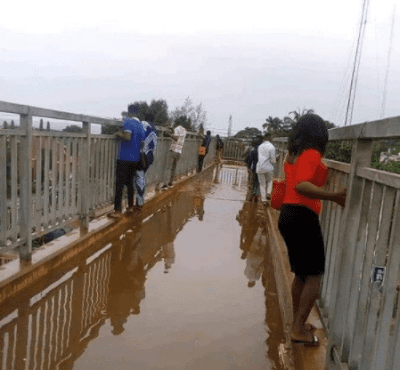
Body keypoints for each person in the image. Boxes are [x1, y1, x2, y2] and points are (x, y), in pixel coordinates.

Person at [277, 113, 347, 347]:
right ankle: (298, 329)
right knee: (315, 276)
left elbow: (295, 181)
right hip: (302, 217)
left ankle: (298, 322)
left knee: (301, 274)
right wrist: (334, 197)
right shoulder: (312, 154)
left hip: (288, 214)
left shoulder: (291, 156)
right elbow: (302, 185)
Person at [109, 105, 145, 218]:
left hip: (124, 158)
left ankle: (117, 210)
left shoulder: (128, 121)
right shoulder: (141, 126)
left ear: (129, 112)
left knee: (119, 184)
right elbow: (142, 142)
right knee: (130, 183)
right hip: (135, 159)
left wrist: (117, 134)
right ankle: (130, 206)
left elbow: (127, 136)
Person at [134, 113, 158, 209]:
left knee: (139, 176)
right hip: (149, 156)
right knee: (142, 176)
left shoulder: (141, 124)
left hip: (139, 155)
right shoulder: (155, 129)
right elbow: (154, 145)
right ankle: (140, 199)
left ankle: (139, 201)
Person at [162, 124, 187, 188]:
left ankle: (165, 184)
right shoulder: (185, 131)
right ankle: (170, 183)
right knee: (173, 168)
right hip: (179, 152)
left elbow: (175, 138)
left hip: (173, 150)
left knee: (168, 168)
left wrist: (169, 133)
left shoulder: (177, 129)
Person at [256, 133, 276, 206]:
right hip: (268, 167)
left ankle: (264, 200)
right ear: (270, 138)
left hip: (259, 167)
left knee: (262, 184)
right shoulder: (272, 147)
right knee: (270, 181)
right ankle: (268, 193)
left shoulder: (260, 146)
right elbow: (273, 160)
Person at [247, 136, 263, 202]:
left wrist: (248, 167)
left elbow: (250, 160)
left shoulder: (253, 151)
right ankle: (256, 195)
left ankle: (251, 195)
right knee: (258, 183)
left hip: (254, 168)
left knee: (253, 182)